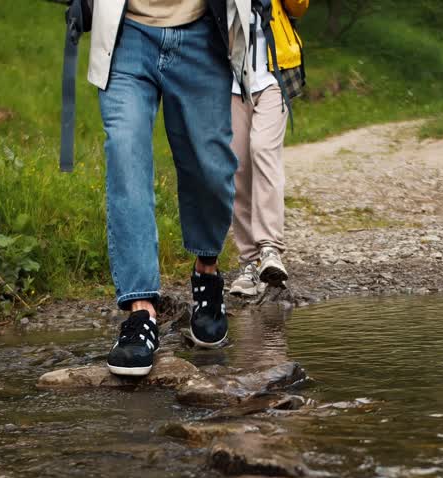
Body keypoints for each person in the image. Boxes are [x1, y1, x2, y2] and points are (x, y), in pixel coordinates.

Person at [88, 0, 253, 376]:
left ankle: (206, 271)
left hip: (202, 32)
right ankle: (140, 313)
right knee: (125, 154)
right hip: (126, 34)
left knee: (211, 167)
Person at [227, 0, 307, 298]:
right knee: (237, 166)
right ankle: (249, 262)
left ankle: (270, 249)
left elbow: (299, 7)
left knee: (263, 150)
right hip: (231, 79)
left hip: (274, 75)